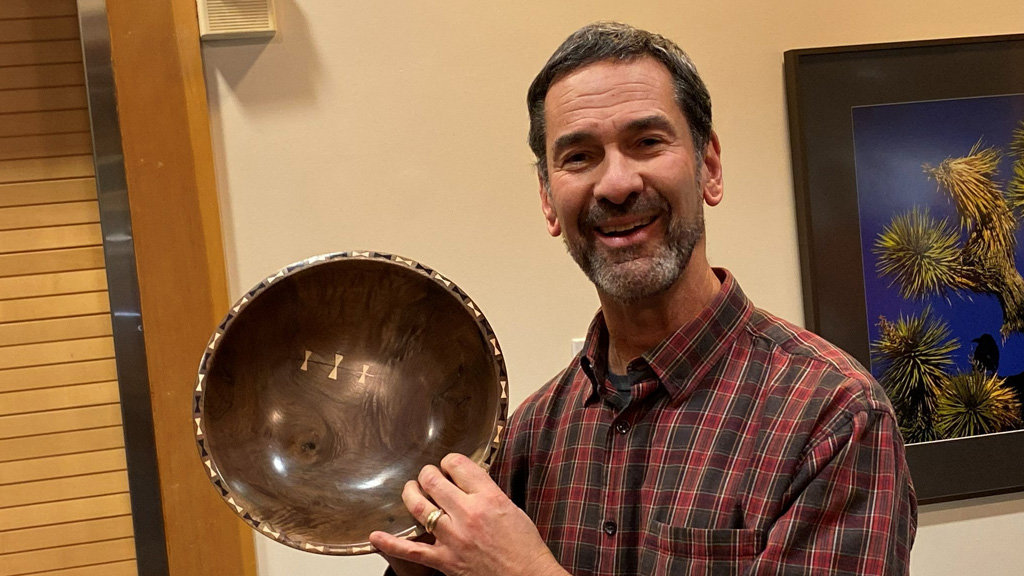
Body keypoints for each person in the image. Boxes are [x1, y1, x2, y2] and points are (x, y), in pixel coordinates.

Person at [369, 21, 917, 576]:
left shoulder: (833, 417)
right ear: (548, 200)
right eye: (579, 157)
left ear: (709, 165)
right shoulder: (529, 434)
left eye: (647, 142)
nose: (616, 183)